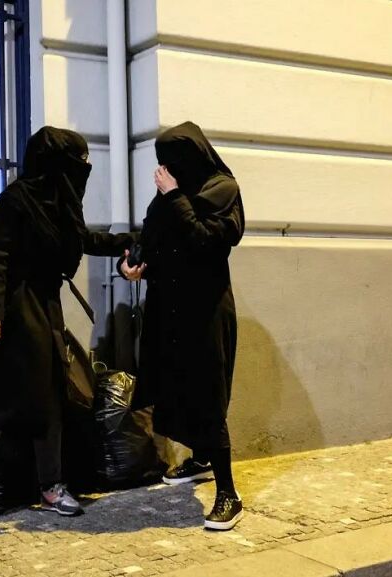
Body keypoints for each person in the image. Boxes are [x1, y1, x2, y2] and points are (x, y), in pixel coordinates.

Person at [0, 126, 131, 533]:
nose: (82, 170)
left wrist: (127, 242)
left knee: (50, 398)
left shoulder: (62, 204)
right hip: (9, 310)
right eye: (77, 162)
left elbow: (83, 241)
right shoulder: (16, 199)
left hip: (45, 308)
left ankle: (50, 486)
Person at [120, 121, 246, 530]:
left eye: (173, 161)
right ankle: (200, 459)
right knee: (175, 387)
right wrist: (132, 265)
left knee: (208, 395)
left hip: (205, 311)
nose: (166, 169)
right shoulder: (172, 193)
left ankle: (229, 494)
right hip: (169, 309)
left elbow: (205, 241)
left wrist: (174, 196)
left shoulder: (222, 189)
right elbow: (153, 236)